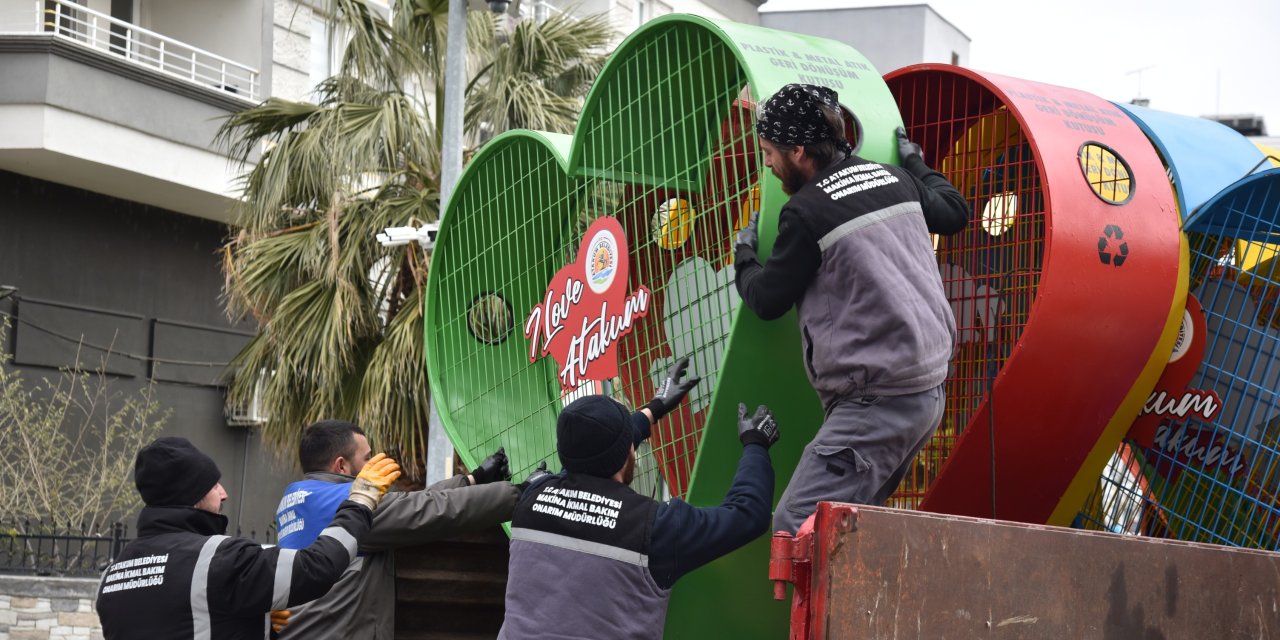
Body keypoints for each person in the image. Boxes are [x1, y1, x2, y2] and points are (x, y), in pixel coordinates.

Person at [734, 83, 969, 534]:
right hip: (927, 394)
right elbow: (954, 212)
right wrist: (915, 161)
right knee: (850, 528)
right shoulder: (895, 178)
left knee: (796, 528)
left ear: (798, 150)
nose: (766, 163)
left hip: (878, 402)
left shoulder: (806, 213)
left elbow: (766, 299)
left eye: (768, 151)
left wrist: (744, 257)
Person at [498, 357, 780, 639]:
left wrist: (653, 409)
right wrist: (755, 444)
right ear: (628, 454)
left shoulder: (533, 497)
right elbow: (748, 515)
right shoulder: (655, 528)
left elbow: (586, 457)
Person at [96, 436, 399, 639]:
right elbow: (317, 567)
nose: (224, 493)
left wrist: (259, 624)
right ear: (190, 494)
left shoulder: (112, 575)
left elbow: (178, 625)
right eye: (214, 485)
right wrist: (361, 499)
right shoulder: (216, 559)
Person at [273, 420, 518, 639]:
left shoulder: (297, 499)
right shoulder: (348, 503)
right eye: (367, 458)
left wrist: (472, 479)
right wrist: (522, 495)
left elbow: (409, 504)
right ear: (341, 466)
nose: (373, 463)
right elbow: (433, 510)